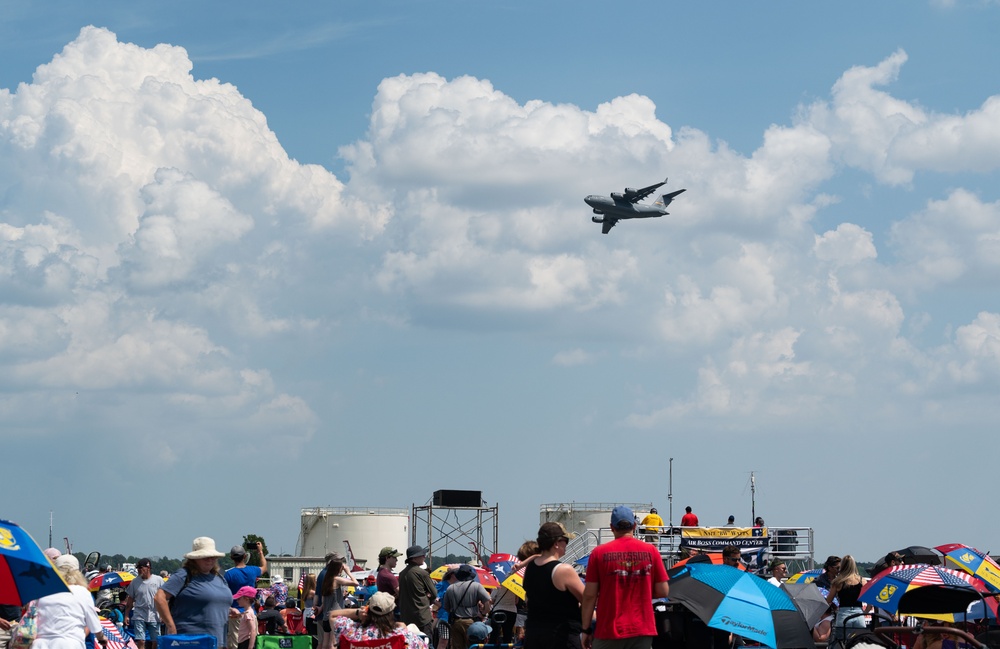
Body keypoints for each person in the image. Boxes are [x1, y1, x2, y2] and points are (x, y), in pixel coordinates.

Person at [580, 506, 670, 649]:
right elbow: (663, 591)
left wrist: (586, 630)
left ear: (611, 527)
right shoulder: (651, 551)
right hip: (641, 629)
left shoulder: (598, 553)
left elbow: (590, 595)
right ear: (634, 525)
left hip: (608, 630)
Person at [155, 537, 236, 649]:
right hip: (190, 642)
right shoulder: (184, 575)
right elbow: (160, 597)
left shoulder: (219, 578)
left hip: (218, 642)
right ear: (194, 559)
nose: (210, 560)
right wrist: (170, 625)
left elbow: (213, 603)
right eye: (205, 557)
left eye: (212, 557)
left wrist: (229, 610)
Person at [522, 522, 585, 649]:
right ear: (556, 543)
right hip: (560, 637)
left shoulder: (531, 568)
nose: (566, 544)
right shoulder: (563, 570)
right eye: (565, 540)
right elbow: (587, 599)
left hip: (534, 636)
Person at [33, 554, 110, 649]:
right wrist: (101, 637)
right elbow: (94, 624)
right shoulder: (82, 592)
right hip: (70, 643)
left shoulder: (42, 592)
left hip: (41, 644)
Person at [322, 591, 427, 649]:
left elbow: (332, 615)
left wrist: (358, 613)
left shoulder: (350, 632)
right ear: (391, 612)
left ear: (368, 610)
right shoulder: (406, 637)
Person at [225, 543, 267, 649]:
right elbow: (264, 567)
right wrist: (260, 552)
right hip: (250, 612)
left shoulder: (229, 574)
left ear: (231, 558)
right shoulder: (253, 570)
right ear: (245, 556)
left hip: (235, 614)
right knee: (252, 640)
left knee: (235, 644)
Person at [315, 553, 358, 649]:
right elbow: (355, 583)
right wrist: (348, 572)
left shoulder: (327, 579)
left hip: (326, 615)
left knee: (325, 642)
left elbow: (323, 598)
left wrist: (321, 608)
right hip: (336, 615)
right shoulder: (337, 579)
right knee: (333, 643)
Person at [442, 565, 491, 649]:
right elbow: (488, 602)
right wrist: (483, 613)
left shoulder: (450, 588)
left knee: (457, 647)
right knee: (472, 646)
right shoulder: (476, 586)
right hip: (471, 622)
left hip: (456, 622)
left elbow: (446, 607)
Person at [826, 555, 867, 647]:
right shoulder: (862, 581)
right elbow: (870, 602)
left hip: (844, 614)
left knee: (840, 642)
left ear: (842, 566)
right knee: (860, 643)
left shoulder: (838, 582)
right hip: (859, 614)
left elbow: (828, 600)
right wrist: (865, 612)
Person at [124, 558, 164, 649]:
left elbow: (164, 598)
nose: (139, 570)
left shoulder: (158, 580)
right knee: (140, 640)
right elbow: (130, 600)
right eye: (138, 568)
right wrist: (126, 615)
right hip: (139, 614)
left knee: (156, 641)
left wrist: (163, 614)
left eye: (141, 568)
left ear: (148, 568)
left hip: (154, 615)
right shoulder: (135, 582)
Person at [398, 545, 437, 637]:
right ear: (414, 558)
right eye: (422, 555)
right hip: (422, 616)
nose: (424, 556)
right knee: (426, 642)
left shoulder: (402, 574)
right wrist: (428, 598)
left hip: (406, 616)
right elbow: (434, 593)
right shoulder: (422, 573)